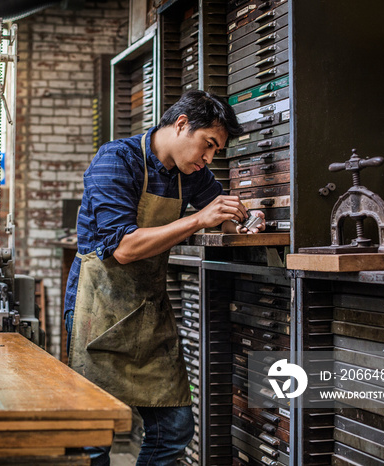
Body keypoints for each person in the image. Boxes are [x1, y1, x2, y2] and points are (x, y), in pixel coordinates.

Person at [64, 90, 265, 465]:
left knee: (173, 428)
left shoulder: (191, 174)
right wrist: (197, 219)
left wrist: (241, 218)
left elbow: (216, 210)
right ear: (182, 124)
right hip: (99, 308)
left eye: (216, 151)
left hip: (149, 309)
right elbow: (123, 247)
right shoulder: (116, 160)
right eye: (208, 145)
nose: (209, 158)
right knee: (94, 436)